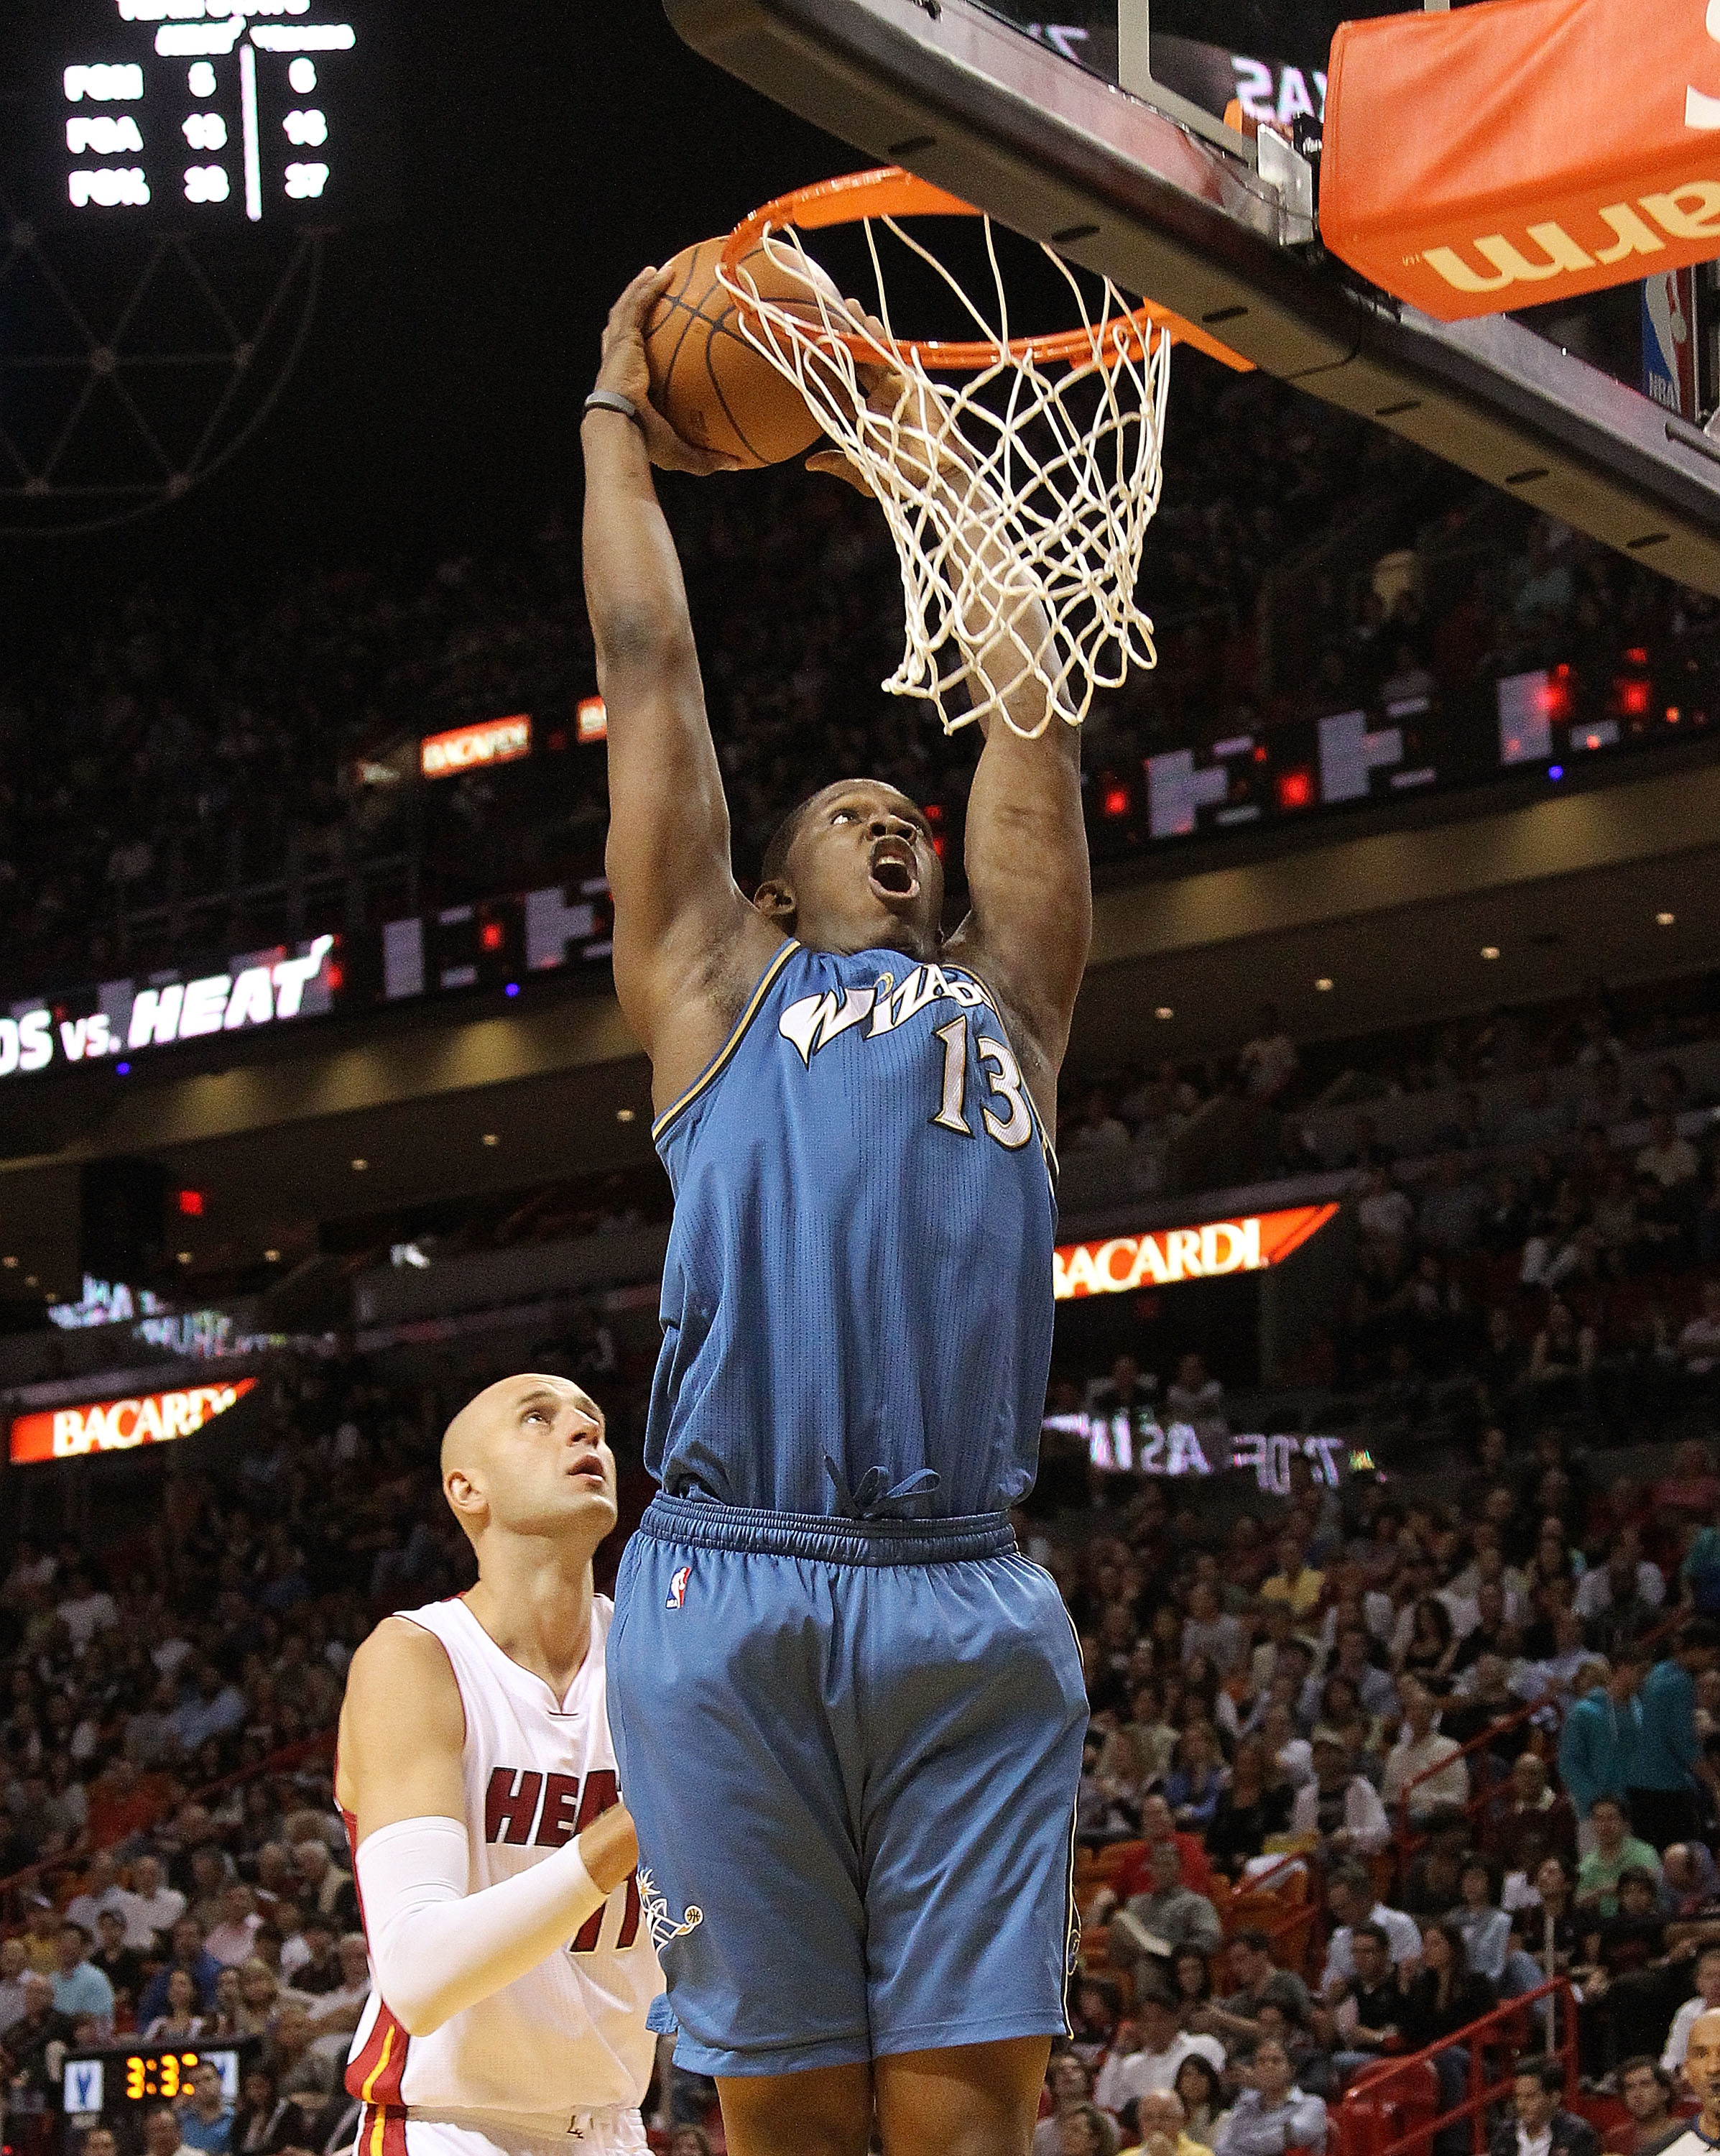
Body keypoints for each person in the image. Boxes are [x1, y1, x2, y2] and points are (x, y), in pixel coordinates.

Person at [584, 265, 1092, 2156]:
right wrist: (615, 430)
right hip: (727, 1581)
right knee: (785, 2122)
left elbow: (1027, 710)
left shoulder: (1009, 1004)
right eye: (850, 807)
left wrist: (927, 459)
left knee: (966, 2128)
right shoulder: (715, 984)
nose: (896, 817)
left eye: (910, 813)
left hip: (964, 1582)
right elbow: (652, 670)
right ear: (776, 883)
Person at [333, 1373, 660, 2156]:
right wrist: (641, 1822)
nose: (584, 1431)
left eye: (592, 1420)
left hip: (615, 2128)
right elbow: (418, 1978)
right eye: (538, 1419)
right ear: (467, 1489)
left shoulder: (659, 1661)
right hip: (448, 2128)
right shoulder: (417, 1660)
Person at [1629, 1624, 1720, 1849]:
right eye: (1711, 1656)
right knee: (1681, 1854)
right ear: (1696, 1648)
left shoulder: (1659, 1671)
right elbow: (1684, 1744)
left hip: (1640, 1782)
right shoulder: (1681, 1683)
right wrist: (1715, 1784)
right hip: (1665, 1788)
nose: (1712, 1663)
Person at [1560, 1657, 1646, 1851]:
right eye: (1639, 1671)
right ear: (1623, 1669)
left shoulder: (1641, 1711)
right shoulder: (1583, 1712)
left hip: (1635, 1810)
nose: (1643, 1678)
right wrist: (1596, 1802)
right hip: (1596, 1816)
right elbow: (1569, 1763)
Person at [1094, 1989, 1225, 2113]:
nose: (1153, 2027)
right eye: (1146, 2021)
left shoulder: (1203, 2045)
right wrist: (1118, 2050)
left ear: (1176, 2019)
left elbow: (1220, 2089)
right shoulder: (1131, 2065)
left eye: (1160, 2019)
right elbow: (1105, 2102)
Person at [1214, 2037, 1327, 2156]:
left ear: (1291, 2070)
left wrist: (1242, 2142)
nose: (1268, 2066)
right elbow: (1222, 2146)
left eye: (1276, 2061)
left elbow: (1290, 2137)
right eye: (1261, 2061)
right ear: (1254, 2070)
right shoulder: (1245, 2103)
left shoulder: (1311, 2104)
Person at [1382, 1682, 1469, 1822]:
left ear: (1433, 1714)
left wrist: (1423, 1801)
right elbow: (1388, 1794)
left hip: (1432, 1813)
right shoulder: (1396, 1752)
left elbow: (1458, 1794)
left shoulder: (1449, 1747)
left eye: (1423, 1709)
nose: (1418, 1714)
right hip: (1398, 1812)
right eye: (1412, 1709)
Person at [1293, 1737, 1392, 1858]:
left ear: (1343, 1758)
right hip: (1317, 1861)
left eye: (1329, 1752)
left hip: (1355, 1859)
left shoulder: (1361, 1788)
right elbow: (1299, 1838)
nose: (1324, 1758)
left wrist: (1352, 1836)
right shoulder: (1305, 1796)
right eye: (1318, 1753)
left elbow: (1382, 1833)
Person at [1486, 2060, 1600, 2156]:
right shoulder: (1505, 2132)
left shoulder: (1578, 2134)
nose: (1521, 2105)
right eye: (1518, 2097)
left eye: (1530, 2097)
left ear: (1554, 2097)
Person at [1577, 1799, 1663, 1919]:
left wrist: (1602, 1891)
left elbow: (1649, 1880)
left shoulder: (1643, 1852)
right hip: (1606, 1923)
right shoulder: (1587, 1863)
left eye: (1611, 1818)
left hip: (1645, 1919)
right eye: (1599, 1819)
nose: (1605, 1825)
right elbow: (1579, 1899)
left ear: (1625, 1823)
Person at [1661, 1944, 1720, 2080]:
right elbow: (1673, 2056)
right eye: (1709, 1976)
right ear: (1698, 1982)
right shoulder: (1689, 2011)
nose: (1717, 1983)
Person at [50, 1921, 115, 2035]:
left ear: (83, 1947)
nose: (66, 1947)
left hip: (84, 2038)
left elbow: (101, 2020)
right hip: (53, 2034)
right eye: (61, 1941)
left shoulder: (96, 1978)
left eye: (72, 1942)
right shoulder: (52, 1979)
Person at [1607, 2057, 1680, 2156]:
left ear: (1665, 2092)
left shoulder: (1685, 2133)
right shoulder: (1615, 2139)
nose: (1637, 2094)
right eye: (1629, 2087)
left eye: (1645, 2084)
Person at [177, 2060, 236, 2155]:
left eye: (208, 2079)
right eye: (197, 2082)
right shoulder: (183, 2121)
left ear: (219, 2081)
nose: (203, 2086)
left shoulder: (234, 2119)